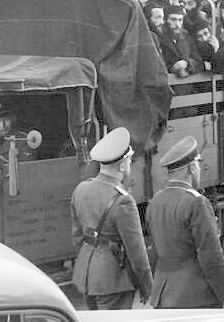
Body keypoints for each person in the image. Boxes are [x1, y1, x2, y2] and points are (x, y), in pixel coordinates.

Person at [146, 136, 224, 309]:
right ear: (191, 169)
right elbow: (211, 255)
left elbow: (156, 251)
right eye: (198, 165)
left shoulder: (155, 201)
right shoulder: (197, 203)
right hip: (194, 297)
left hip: (163, 295)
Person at [70, 127, 153, 310]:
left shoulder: (81, 189)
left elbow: (77, 238)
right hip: (113, 281)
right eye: (130, 160)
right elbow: (137, 252)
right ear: (122, 165)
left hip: (87, 276)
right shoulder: (123, 201)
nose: (130, 164)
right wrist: (148, 287)